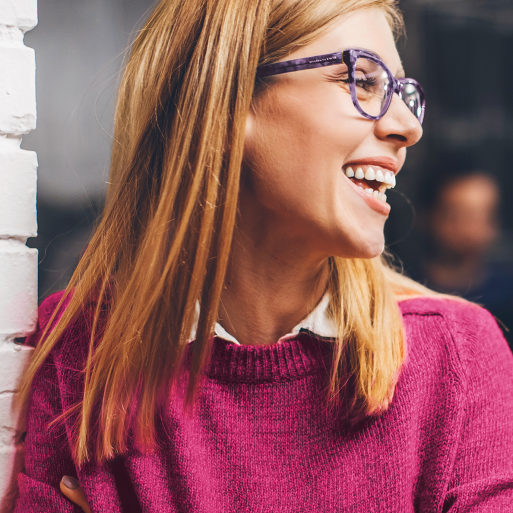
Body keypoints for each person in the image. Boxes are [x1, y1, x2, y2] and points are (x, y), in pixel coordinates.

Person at [13, 0, 513, 511]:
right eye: (363, 82)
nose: (408, 127)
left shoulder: (459, 360)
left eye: (402, 93)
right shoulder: (78, 351)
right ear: (229, 102)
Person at [414, 170, 513, 349]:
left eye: (482, 217)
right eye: (458, 217)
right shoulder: (411, 294)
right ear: (429, 217)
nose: (471, 230)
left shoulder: (507, 295)